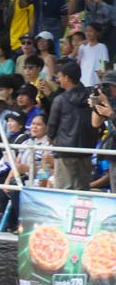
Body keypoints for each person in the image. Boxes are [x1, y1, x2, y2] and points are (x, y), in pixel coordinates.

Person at [47, 61, 97, 190]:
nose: (59, 79)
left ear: (67, 78)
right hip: (86, 150)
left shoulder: (60, 100)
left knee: (63, 191)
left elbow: (52, 126)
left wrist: (51, 139)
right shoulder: (92, 98)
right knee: (82, 192)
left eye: (60, 76)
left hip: (65, 152)